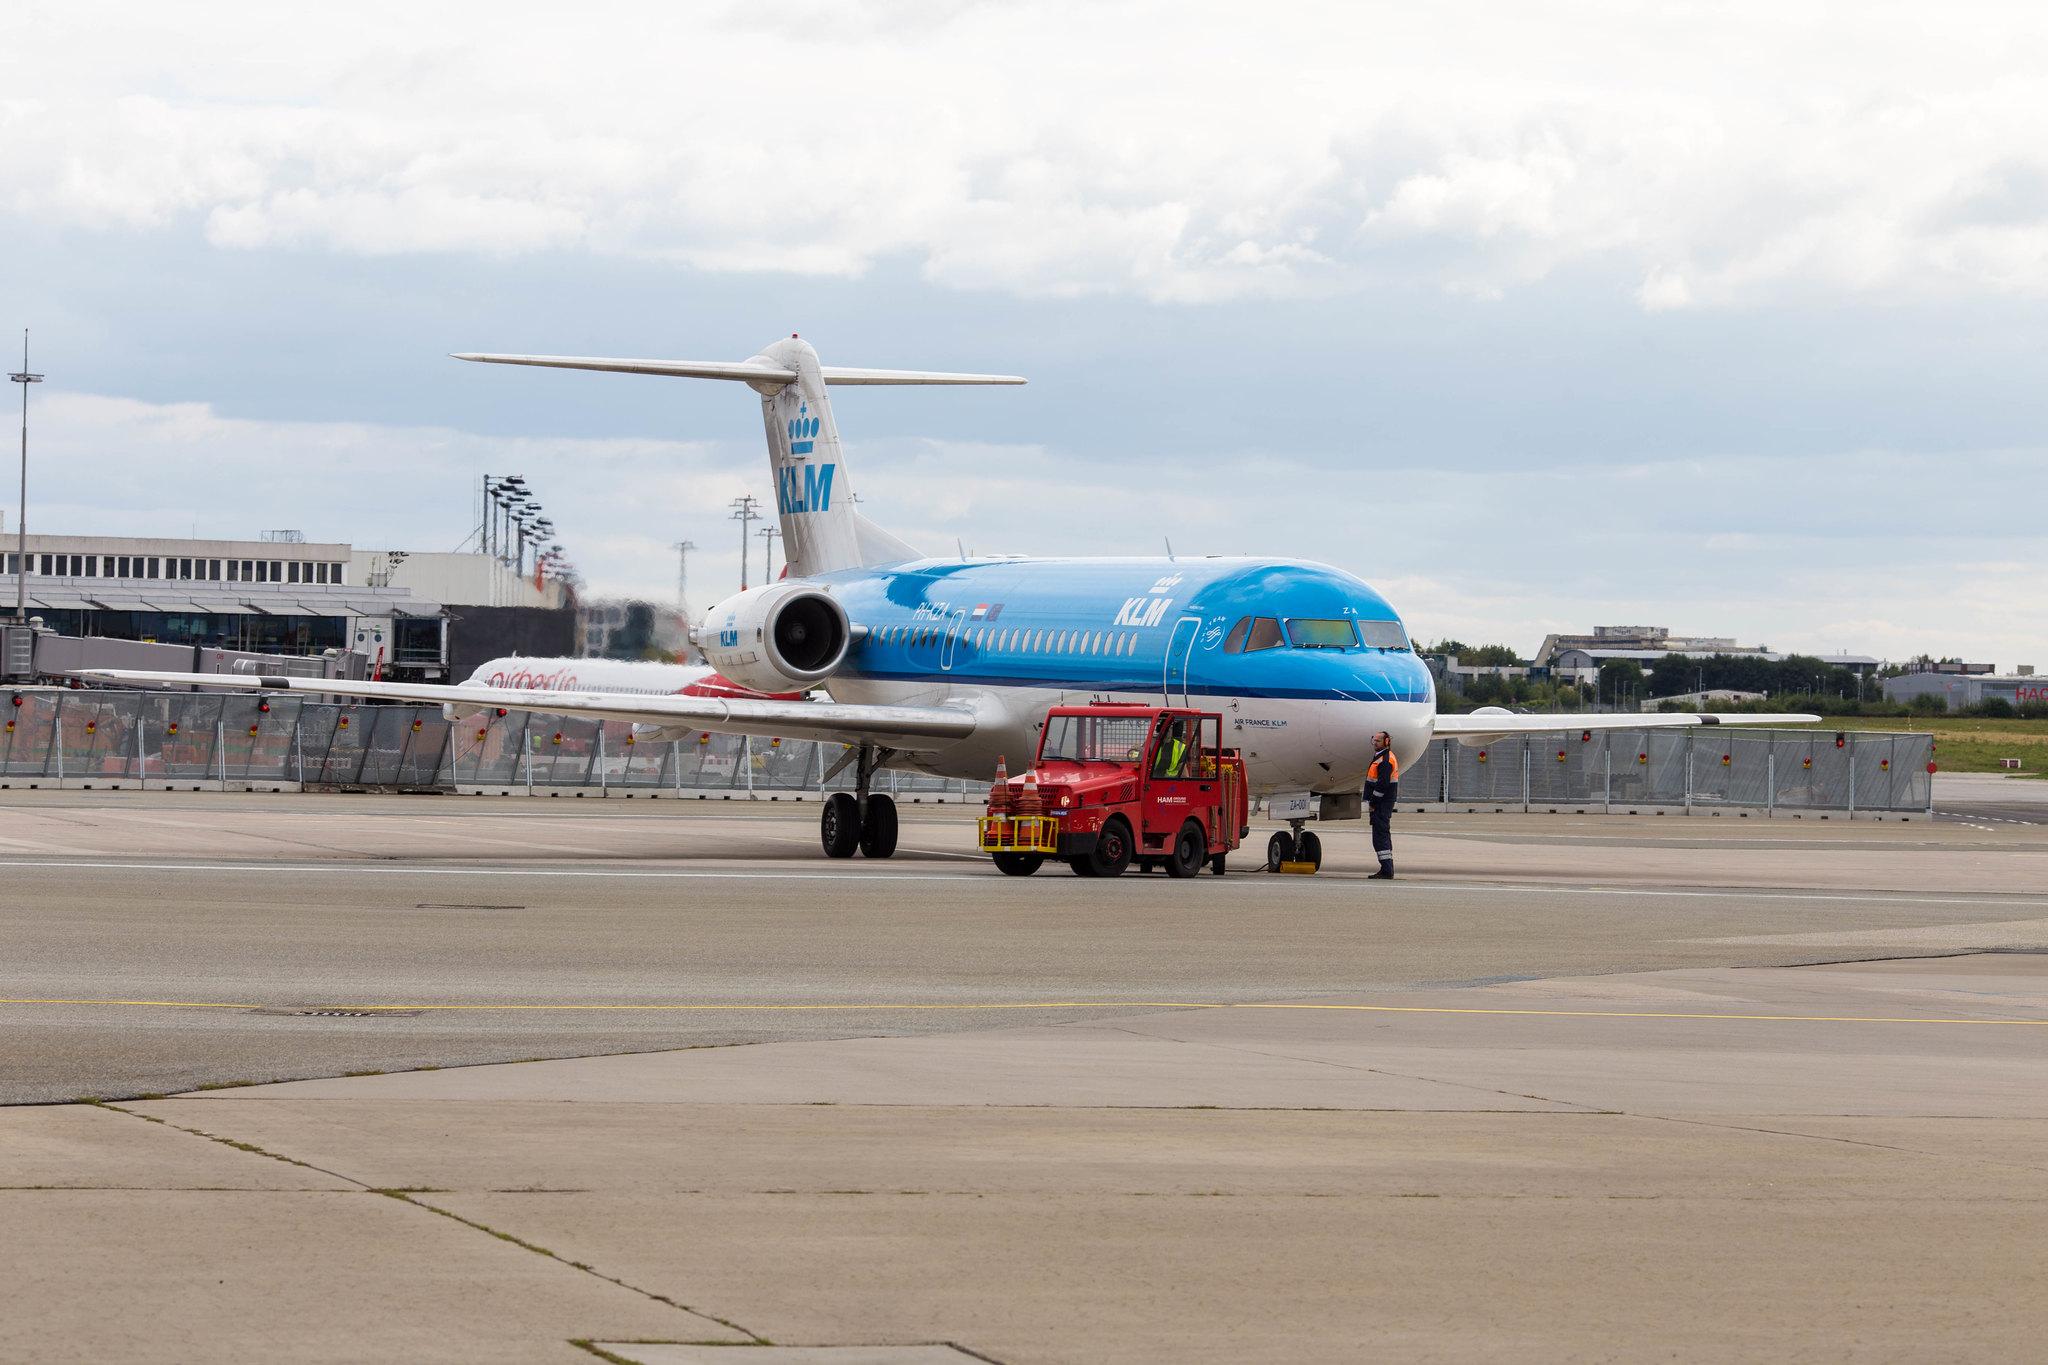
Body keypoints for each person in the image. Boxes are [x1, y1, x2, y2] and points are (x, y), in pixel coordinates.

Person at [1364, 730, 1399, 879]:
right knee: (1381, 834)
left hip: (1381, 803)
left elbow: (1382, 784)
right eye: (1374, 740)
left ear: (1386, 742)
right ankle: (1386, 868)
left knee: (1380, 836)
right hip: (1382, 803)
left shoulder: (1385, 760)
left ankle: (1386, 870)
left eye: (1378, 741)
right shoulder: (1381, 757)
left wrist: (1373, 801)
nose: (1375, 743)